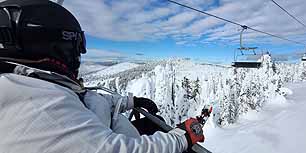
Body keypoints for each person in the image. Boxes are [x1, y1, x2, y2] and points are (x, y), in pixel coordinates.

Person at [0, 0, 205, 153]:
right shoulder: (36, 104)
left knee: (155, 122)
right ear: (59, 45)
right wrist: (183, 138)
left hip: (113, 129)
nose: (79, 56)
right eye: (77, 47)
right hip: (121, 139)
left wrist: (130, 101)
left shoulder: (37, 83)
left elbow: (87, 98)